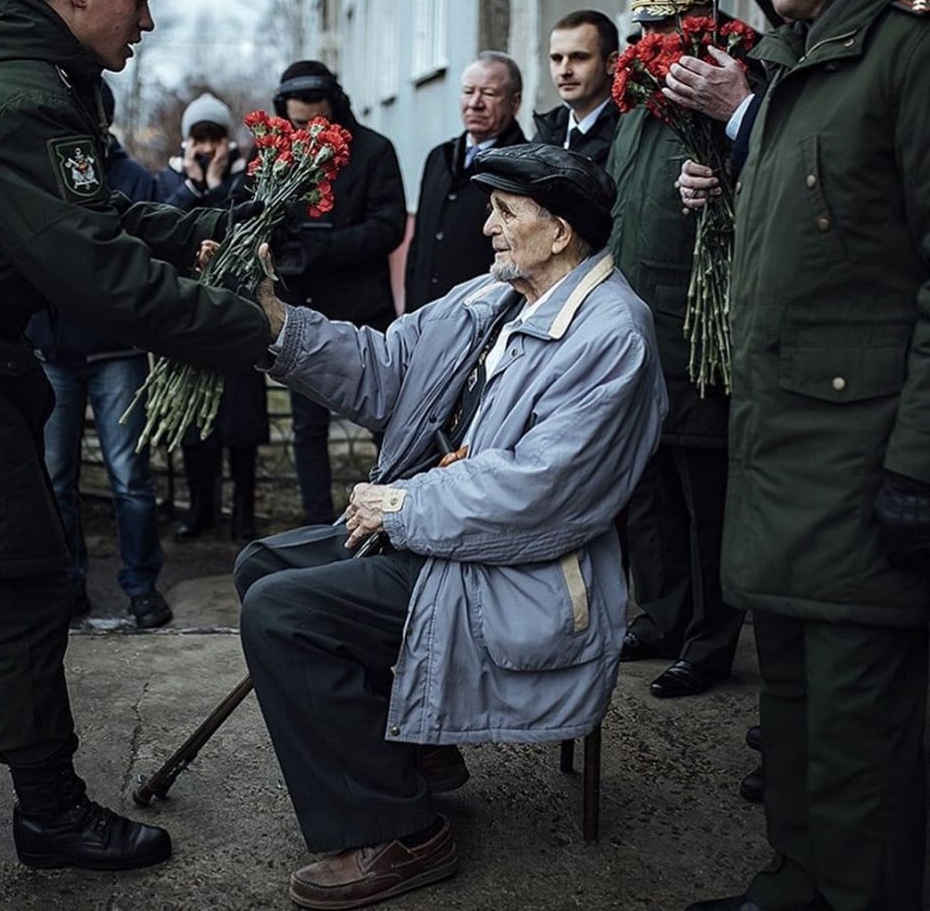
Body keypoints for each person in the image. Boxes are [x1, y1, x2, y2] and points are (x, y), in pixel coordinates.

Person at [234, 143, 667, 910]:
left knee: (284, 614)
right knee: (263, 566)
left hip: (519, 568)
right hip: (448, 532)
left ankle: (401, 832)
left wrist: (403, 505)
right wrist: (275, 319)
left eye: (505, 213)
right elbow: (385, 368)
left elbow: (546, 491)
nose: (488, 229)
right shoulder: (494, 297)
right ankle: (410, 753)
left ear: (560, 231)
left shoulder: (612, 333)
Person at [0, 0, 273, 873]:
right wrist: (264, 334)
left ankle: (48, 807)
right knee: (28, 586)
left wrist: (184, 232)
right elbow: (97, 279)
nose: (149, 20)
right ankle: (49, 814)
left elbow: (86, 211)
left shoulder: (28, 84)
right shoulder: (12, 100)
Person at [674, 0, 930, 909]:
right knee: (793, 716)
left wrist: (918, 464)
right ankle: (796, 884)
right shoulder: (804, 60)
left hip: (864, 477)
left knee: (860, 750)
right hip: (786, 469)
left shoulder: (906, 49)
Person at [606, 0, 746, 699]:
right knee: (647, 488)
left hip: (696, 335)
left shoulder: (723, 113)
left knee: (704, 496)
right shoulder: (636, 114)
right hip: (634, 334)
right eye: (645, 37)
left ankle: (709, 639)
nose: (647, 51)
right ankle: (660, 617)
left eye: (665, 36)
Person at [27, 79, 172, 630]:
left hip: (116, 351)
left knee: (129, 475)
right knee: (55, 475)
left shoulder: (132, 179)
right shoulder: (37, 169)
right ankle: (69, 585)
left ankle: (141, 585)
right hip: (52, 348)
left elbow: (149, 258)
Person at [271, 60, 407, 524]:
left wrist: (326, 247)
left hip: (363, 309)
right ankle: (314, 525)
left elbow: (389, 227)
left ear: (336, 108)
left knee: (387, 421)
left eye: (318, 121)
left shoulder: (373, 151)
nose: (308, 131)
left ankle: (390, 516)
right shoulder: (280, 155)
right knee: (308, 428)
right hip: (304, 307)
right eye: (298, 122)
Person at [157, 91, 268, 542]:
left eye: (214, 137)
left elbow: (241, 225)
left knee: (240, 422)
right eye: (198, 138)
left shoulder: (248, 180)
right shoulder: (169, 179)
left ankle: (243, 510)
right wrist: (194, 185)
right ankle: (201, 506)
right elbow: (166, 224)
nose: (205, 147)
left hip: (237, 310)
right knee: (192, 422)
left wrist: (220, 181)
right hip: (189, 313)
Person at [404, 51, 526, 311]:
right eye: (468, 91)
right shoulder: (438, 157)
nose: (475, 103)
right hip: (427, 311)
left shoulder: (524, 165)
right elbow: (420, 245)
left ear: (514, 103)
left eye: (489, 93)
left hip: (485, 312)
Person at [532, 9, 620, 165]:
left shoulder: (627, 134)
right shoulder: (546, 132)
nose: (564, 71)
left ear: (612, 63)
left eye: (579, 58)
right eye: (557, 59)